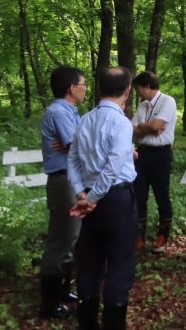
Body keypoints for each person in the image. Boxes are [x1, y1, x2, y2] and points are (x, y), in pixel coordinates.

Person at [68, 67, 137, 330]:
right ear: (128, 91)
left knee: (90, 261)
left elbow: (72, 159)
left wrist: (81, 193)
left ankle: (87, 324)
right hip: (115, 200)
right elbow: (113, 166)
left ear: (98, 88)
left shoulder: (85, 119)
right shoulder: (121, 123)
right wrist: (93, 197)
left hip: (89, 200)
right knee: (120, 264)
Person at [38, 66, 86, 319]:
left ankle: (64, 291)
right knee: (60, 239)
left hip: (72, 179)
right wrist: (76, 143)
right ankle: (49, 303)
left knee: (72, 237)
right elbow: (78, 144)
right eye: (83, 84)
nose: (85, 89)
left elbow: (78, 143)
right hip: (63, 180)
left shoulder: (72, 112)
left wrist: (76, 143)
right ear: (71, 88)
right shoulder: (58, 111)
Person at [131, 71, 177, 253]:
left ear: (147, 86)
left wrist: (146, 127)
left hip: (161, 155)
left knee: (162, 196)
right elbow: (133, 129)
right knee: (139, 194)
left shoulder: (168, 101)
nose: (138, 92)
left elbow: (157, 127)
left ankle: (162, 237)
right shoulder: (142, 106)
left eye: (139, 89)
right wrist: (147, 128)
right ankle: (139, 237)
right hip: (142, 155)